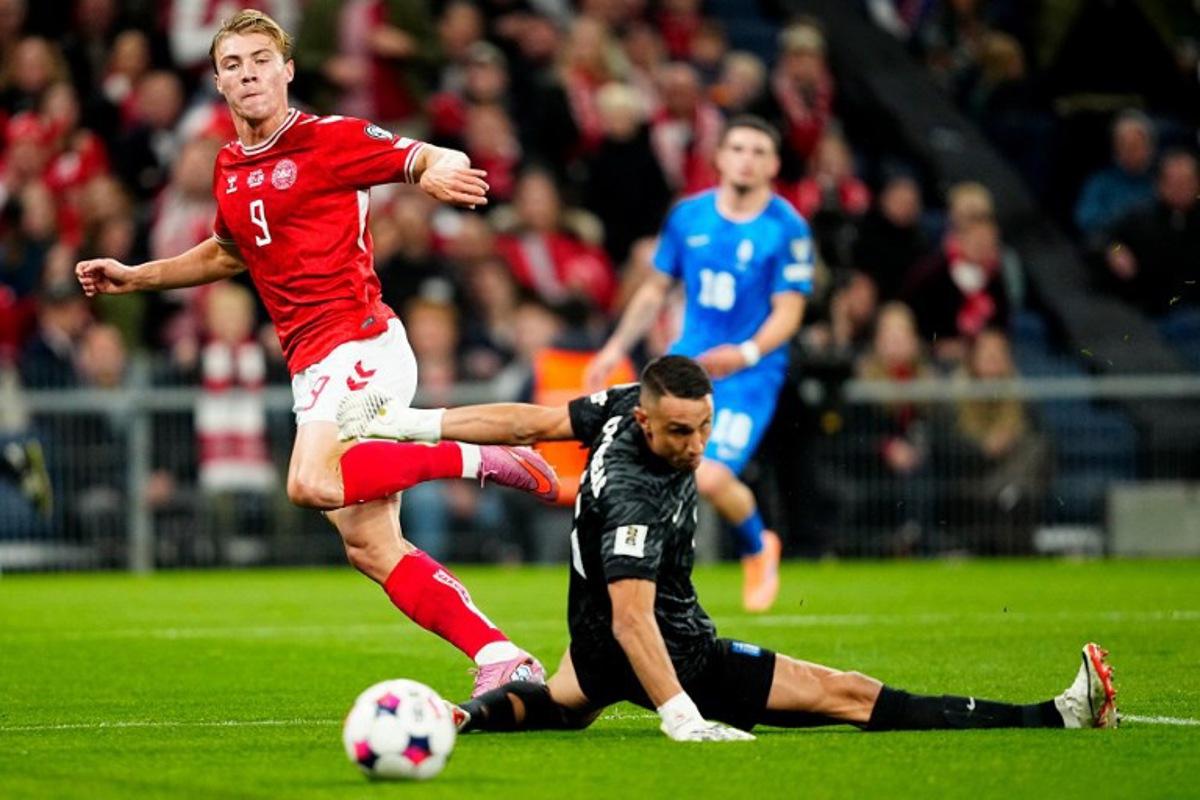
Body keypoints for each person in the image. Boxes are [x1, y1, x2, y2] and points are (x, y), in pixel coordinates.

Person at [74, 10, 559, 697]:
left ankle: (476, 458)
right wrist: (136, 276)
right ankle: (501, 656)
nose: (249, 74)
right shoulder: (229, 167)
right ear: (218, 82)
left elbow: (423, 154)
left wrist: (439, 171)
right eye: (233, 64)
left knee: (308, 482)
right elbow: (228, 252)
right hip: (312, 364)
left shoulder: (328, 139)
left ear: (288, 71)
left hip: (359, 341)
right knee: (370, 545)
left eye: (261, 61)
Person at [337, 356, 1119, 742]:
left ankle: (459, 719)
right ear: (648, 424)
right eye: (681, 432)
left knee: (562, 706)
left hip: (593, 647)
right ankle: (1055, 718)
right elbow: (636, 619)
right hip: (675, 654)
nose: (696, 444)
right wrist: (681, 713)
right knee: (849, 695)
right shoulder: (635, 497)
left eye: (704, 427)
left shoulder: (623, 408)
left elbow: (530, 422)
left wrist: (413, 422)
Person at [584, 115, 811, 612]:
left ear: (773, 164)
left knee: (707, 475)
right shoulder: (688, 216)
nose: (746, 160)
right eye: (738, 149)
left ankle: (758, 546)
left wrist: (746, 352)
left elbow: (790, 310)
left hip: (750, 373)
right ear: (720, 157)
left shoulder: (787, 228)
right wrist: (615, 347)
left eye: (758, 151)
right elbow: (655, 289)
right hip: (688, 368)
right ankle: (645, 577)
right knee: (650, 467)